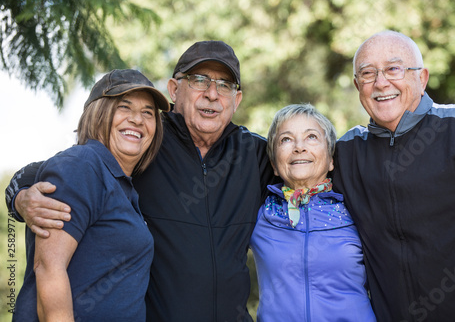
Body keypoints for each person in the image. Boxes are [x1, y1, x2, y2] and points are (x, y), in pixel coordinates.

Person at [5, 41, 275, 321]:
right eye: (199, 80)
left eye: (224, 85)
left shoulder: (255, 154)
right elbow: (49, 172)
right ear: (174, 89)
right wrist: (20, 197)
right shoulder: (146, 142)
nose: (212, 94)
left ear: (237, 99)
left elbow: (315, 168)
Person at [332, 30, 455, 321]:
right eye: (368, 73)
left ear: (421, 78)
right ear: (358, 86)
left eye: (394, 69)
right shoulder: (345, 153)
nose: (381, 82)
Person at [12, 69, 170, 321]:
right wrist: (18, 197)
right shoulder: (82, 165)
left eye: (148, 113)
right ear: (98, 113)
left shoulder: (122, 185)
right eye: (124, 107)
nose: (137, 120)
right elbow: (49, 269)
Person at [250, 104, 376, 321]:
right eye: (286, 139)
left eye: (311, 137)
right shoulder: (259, 214)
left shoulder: (357, 211)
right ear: (274, 165)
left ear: (330, 160)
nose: (299, 147)